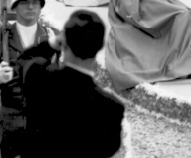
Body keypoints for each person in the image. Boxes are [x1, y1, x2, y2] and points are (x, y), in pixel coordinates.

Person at [21, 10, 126, 158]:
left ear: (64, 42)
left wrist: (51, 44)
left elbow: (24, 60)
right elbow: (109, 149)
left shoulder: (39, 77)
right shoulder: (111, 108)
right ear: (99, 46)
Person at [0, 0, 59, 158]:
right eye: (24, 2)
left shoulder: (53, 36)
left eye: (35, 2)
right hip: (10, 117)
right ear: (15, 6)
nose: (31, 7)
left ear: (41, 7)